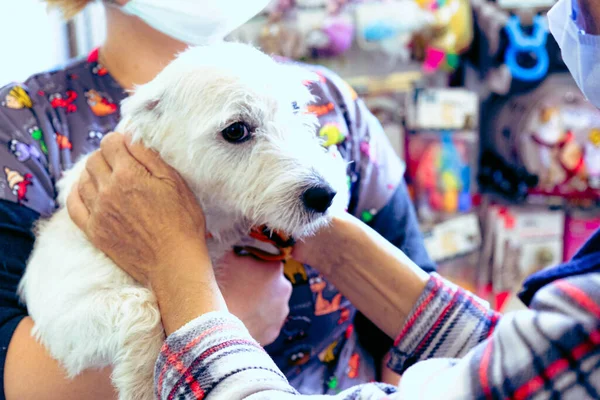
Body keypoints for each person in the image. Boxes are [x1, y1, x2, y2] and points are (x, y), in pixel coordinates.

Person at [66, 0, 600, 398]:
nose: (572, 19)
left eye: (587, 11)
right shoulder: (29, 129)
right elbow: (513, 357)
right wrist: (332, 246)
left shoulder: (335, 101)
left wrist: (180, 278)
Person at [0, 1, 436, 399]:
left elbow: (415, 335)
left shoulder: (334, 101)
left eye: (296, 114)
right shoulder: (23, 127)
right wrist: (220, 314)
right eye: (236, 132)